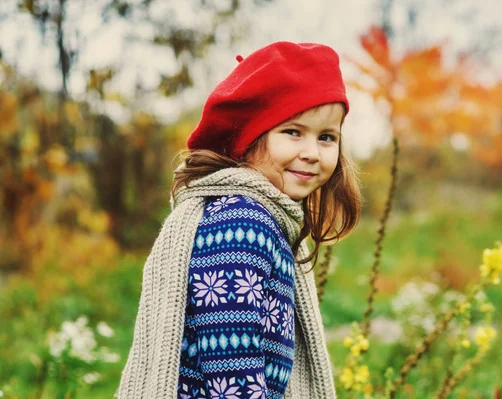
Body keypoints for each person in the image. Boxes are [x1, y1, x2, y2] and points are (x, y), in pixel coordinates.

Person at [115, 41, 362, 399]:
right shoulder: (241, 223)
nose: (311, 153)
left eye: (327, 137)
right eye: (293, 132)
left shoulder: (263, 219)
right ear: (250, 139)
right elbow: (233, 369)